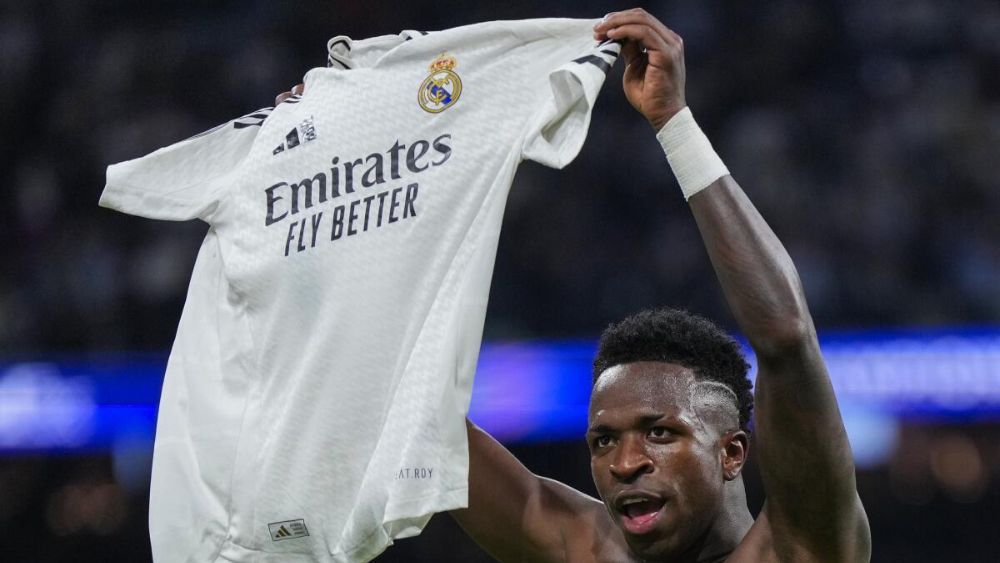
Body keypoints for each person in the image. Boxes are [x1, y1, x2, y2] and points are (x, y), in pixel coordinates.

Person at [274, 9, 870, 561]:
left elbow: (786, 337)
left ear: (732, 452)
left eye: (659, 432)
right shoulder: (587, 550)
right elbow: (395, 395)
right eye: (603, 441)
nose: (626, 463)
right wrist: (323, 173)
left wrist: (673, 123)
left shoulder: (801, 550)